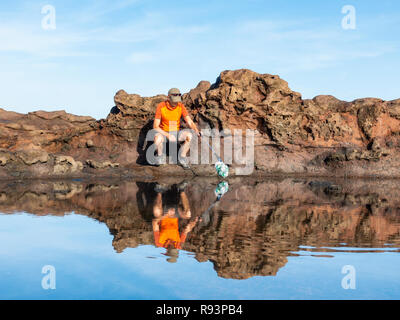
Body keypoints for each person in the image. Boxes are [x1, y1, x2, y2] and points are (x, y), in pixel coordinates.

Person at [152, 88, 201, 169]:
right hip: (163, 133)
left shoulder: (180, 106)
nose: (176, 103)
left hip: (176, 132)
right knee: (157, 139)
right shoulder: (161, 106)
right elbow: (155, 127)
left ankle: (181, 158)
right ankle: (160, 156)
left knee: (190, 136)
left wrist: (196, 130)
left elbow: (189, 121)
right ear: (168, 98)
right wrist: (168, 135)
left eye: (177, 100)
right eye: (174, 101)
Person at [152, 182, 200, 263]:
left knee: (156, 212)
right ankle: (181, 190)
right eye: (174, 250)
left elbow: (154, 222)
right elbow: (186, 230)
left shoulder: (159, 243)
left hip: (163, 214)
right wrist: (194, 222)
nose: (173, 247)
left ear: (166, 252)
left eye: (171, 250)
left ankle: (159, 191)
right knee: (188, 214)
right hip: (176, 214)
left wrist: (165, 215)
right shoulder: (179, 245)